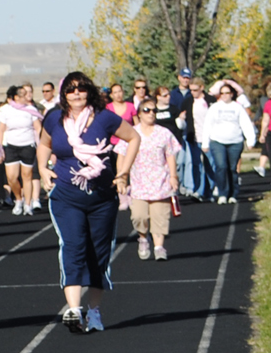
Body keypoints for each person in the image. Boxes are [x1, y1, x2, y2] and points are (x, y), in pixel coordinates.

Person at [40, 69, 135, 332]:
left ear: (89, 90)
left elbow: (133, 137)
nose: (76, 93)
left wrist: (123, 173)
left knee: (98, 253)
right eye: (70, 89)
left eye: (81, 88)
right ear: (63, 95)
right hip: (66, 197)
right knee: (73, 245)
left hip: (102, 197)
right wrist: (43, 168)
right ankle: (73, 310)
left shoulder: (104, 118)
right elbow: (44, 144)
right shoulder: (54, 119)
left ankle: (94, 311)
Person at [119, 100, 180, 260]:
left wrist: (173, 176)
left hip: (161, 182)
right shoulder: (131, 132)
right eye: (147, 110)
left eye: (154, 110)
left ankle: (159, 247)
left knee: (160, 216)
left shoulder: (164, 133)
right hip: (139, 183)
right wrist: (121, 176)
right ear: (139, 113)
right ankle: (143, 238)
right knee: (139, 216)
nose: (151, 113)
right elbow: (121, 155)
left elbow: (171, 155)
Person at [196, 79, 255, 204]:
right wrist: (205, 143)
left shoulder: (237, 108)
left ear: (232, 94)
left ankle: (233, 194)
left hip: (235, 142)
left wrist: (250, 140)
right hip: (217, 141)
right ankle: (223, 193)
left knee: (232, 169)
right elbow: (208, 125)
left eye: (227, 93)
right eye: (222, 93)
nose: (224, 95)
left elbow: (246, 124)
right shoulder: (215, 108)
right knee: (221, 167)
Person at [0, 85, 43, 215]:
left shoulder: (31, 110)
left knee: (27, 176)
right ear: (16, 97)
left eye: (28, 94)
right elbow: (0, 130)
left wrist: (40, 146)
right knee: (11, 177)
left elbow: (38, 128)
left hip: (27, 146)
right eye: (23, 94)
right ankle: (18, 199)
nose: (27, 96)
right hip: (11, 146)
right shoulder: (5, 110)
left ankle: (28, 204)